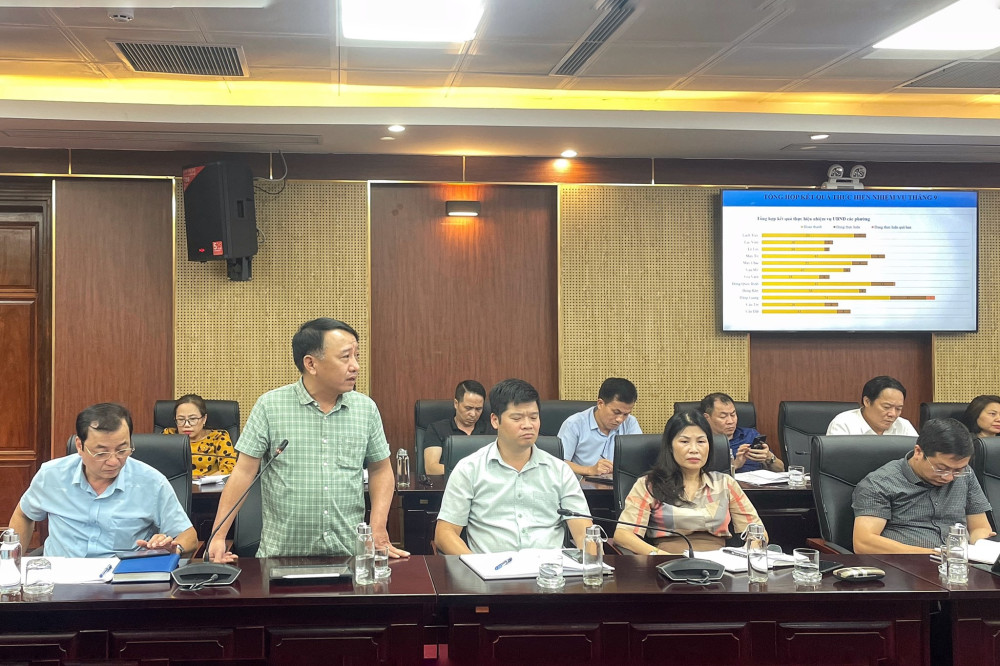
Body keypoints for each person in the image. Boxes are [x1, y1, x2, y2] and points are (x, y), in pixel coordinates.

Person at [207, 318, 408, 562]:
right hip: (282, 555)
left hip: (349, 554)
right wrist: (218, 535)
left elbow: (380, 469)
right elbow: (243, 472)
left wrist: (377, 528)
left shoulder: (365, 409)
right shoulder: (270, 406)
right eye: (345, 357)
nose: (355, 366)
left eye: (356, 356)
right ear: (311, 364)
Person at [7, 403, 196, 557]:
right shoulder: (51, 475)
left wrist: (175, 548)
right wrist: (13, 564)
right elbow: (24, 515)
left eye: (122, 450)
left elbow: (188, 536)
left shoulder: (151, 482)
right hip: (61, 580)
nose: (113, 461)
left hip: (122, 581)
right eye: (101, 452)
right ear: (79, 446)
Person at [435, 378, 593, 554]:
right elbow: (445, 533)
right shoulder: (469, 469)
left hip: (550, 569)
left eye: (534, 417)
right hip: (490, 568)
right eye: (517, 418)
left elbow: (585, 534)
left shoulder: (560, 471)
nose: (528, 425)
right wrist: (476, 565)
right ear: (495, 420)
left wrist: (592, 564)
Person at [614, 410, 764, 555]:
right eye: (684, 441)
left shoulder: (725, 483)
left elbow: (757, 532)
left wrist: (748, 551)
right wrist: (658, 555)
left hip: (719, 564)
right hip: (667, 563)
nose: (694, 449)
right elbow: (623, 534)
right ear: (670, 446)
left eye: (701, 441)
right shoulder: (650, 484)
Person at [853, 418, 993, 553]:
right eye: (941, 469)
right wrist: (937, 554)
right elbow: (864, 543)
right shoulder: (879, 482)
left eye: (958, 470)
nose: (949, 477)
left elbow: (979, 527)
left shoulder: (966, 474)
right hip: (904, 564)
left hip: (958, 562)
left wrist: (981, 546)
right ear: (918, 452)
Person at [558, 377, 642, 477]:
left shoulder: (630, 423)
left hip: (619, 484)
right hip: (583, 484)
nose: (620, 419)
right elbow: (558, 463)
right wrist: (590, 470)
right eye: (616, 412)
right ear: (600, 404)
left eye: (626, 414)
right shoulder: (574, 424)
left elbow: (639, 459)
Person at [423, 380, 495, 476]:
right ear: (456, 404)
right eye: (468, 408)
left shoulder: (492, 430)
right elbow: (431, 468)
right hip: (448, 483)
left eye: (478, 409)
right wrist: (470, 471)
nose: (473, 414)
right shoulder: (437, 429)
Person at [700, 392, 784, 473]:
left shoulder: (750, 435)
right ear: (707, 418)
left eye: (733, 415)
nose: (730, 421)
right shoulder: (702, 441)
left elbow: (781, 470)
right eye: (723, 416)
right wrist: (735, 465)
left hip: (759, 481)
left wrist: (769, 457)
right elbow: (702, 477)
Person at [161, 394, 236, 478]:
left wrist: (201, 479)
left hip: (209, 485)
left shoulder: (218, 437)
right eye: (181, 419)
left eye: (193, 419)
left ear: (204, 419)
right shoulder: (168, 436)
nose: (186, 425)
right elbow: (158, 466)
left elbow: (229, 468)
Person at [827, 376, 918, 436]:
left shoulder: (903, 426)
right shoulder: (843, 424)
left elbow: (919, 457)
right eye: (886, 407)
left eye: (898, 408)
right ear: (867, 402)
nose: (893, 414)